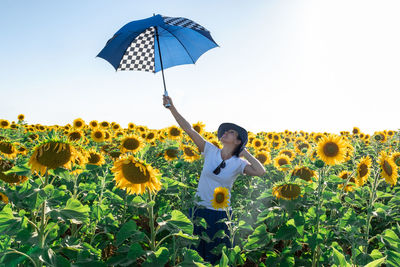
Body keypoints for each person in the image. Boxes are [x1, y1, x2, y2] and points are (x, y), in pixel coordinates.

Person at [163, 95, 266, 264]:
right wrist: (171, 108)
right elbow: (189, 129)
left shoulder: (239, 163)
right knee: (194, 256)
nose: (225, 133)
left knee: (215, 258)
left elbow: (261, 171)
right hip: (199, 211)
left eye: (230, 132)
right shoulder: (210, 150)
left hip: (220, 216)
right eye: (225, 131)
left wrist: (245, 152)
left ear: (238, 141)